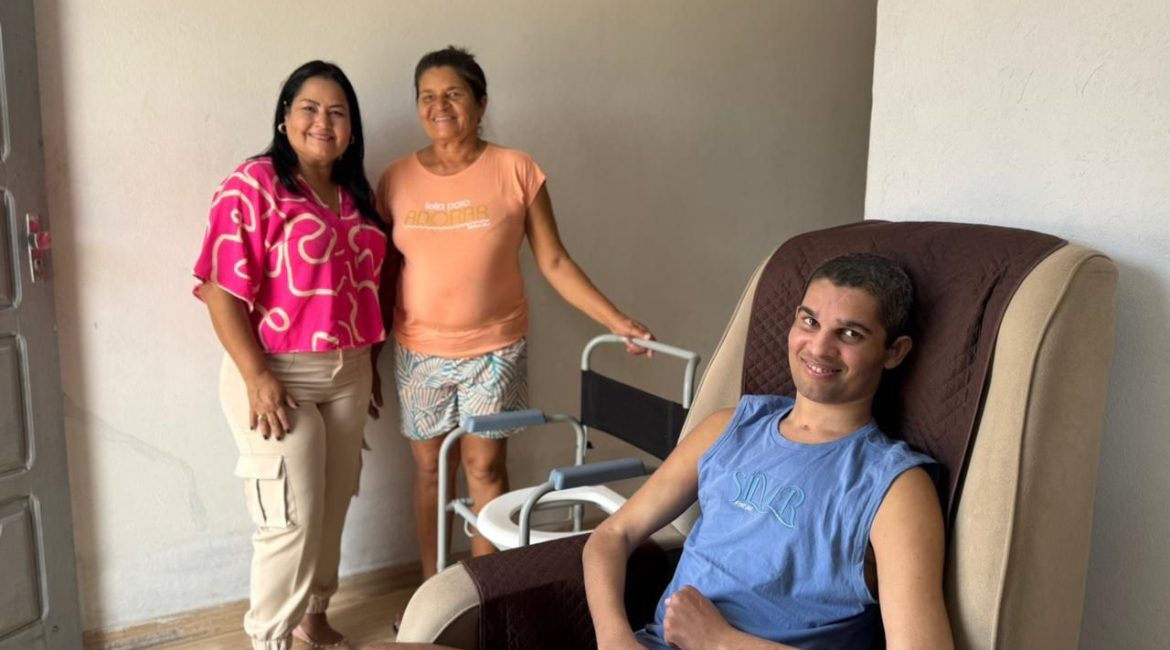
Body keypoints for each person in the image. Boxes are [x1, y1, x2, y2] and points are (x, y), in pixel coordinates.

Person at [375, 45, 653, 579]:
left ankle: (485, 591)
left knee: (484, 467)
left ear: (480, 102)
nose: (439, 106)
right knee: (431, 469)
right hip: (418, 350)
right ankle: (432, 589)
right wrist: (367, 357)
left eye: (453, 94)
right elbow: (384, 273)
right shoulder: (395, 179)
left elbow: (554, 261)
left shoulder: (517, 170)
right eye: (427, 96)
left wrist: (615, 319)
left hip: (494, 349)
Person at [583, 253, 955, 650]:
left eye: (849, 334)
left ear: (894, 351)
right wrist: (615, 638)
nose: (819, 347)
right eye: (810, 322)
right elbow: (612, 535)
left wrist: (721, 642)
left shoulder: (895, 486)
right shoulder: (728, 428)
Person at [193, 60, 388, 650]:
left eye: (337, 112)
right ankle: (270, 638)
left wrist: (372, 366)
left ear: (351, 129)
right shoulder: (253, 183)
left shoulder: (356, 194)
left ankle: (314, 616)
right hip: (274, 371)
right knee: (289, 517)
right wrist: (257, 376)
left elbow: (367, 287)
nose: (323, 122)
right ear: (284, 117)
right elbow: (219, 291)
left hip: (350, 369)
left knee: (332, 504)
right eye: (309, 108)